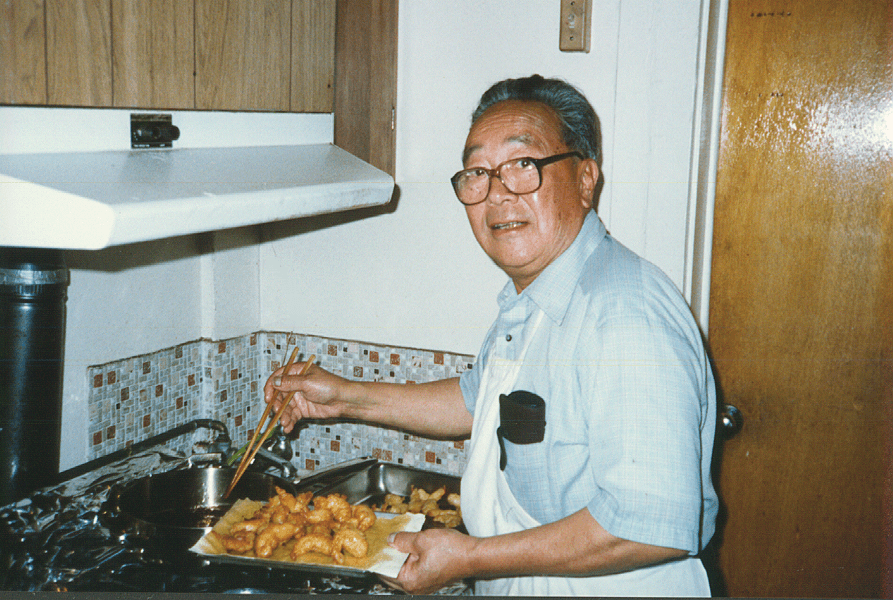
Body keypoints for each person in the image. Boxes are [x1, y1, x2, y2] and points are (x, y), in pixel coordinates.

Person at [264, 74, 718, 596]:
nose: (497, 194)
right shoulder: (537, 294)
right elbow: (477, 401)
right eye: (478, 172)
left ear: (585, 179)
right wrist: (344, 397)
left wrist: (470, 558)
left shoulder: (625, 313)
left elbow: (645, 526)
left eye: (523, 165)